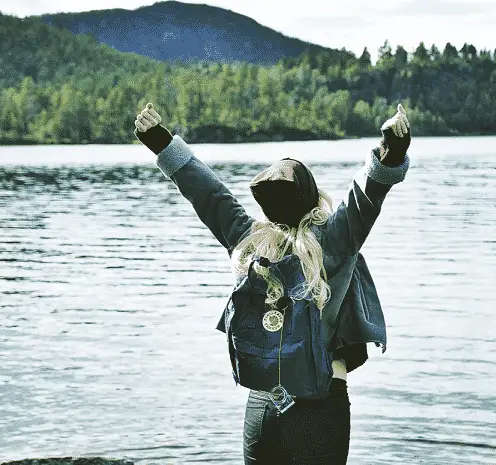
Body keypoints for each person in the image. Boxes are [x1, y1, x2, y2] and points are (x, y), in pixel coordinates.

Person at [134, 102, 411, 465]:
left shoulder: (249, 239)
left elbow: (207, 193)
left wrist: (161, 141)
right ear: (313, 196)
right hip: (319, 408)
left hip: (262, 406)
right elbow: (367, 194)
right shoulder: (335, 238)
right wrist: (392, 150)